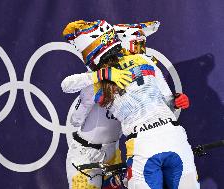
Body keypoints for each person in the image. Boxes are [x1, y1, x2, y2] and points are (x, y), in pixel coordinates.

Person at [63, 21, 199, 189]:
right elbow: (165, 100)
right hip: (172, 136)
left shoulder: (98, 79)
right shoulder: (143, 59)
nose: (138, 47)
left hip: (132, 145)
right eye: (136, 43)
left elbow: (68, 90)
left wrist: (102, 75)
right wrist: (173, 101)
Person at [62, 20, 132, 189]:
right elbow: (66, 86)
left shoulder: (128, 73)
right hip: (85, 157)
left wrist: (172, 102)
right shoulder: (94, 82)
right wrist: (98, 77)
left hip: (112, 154)